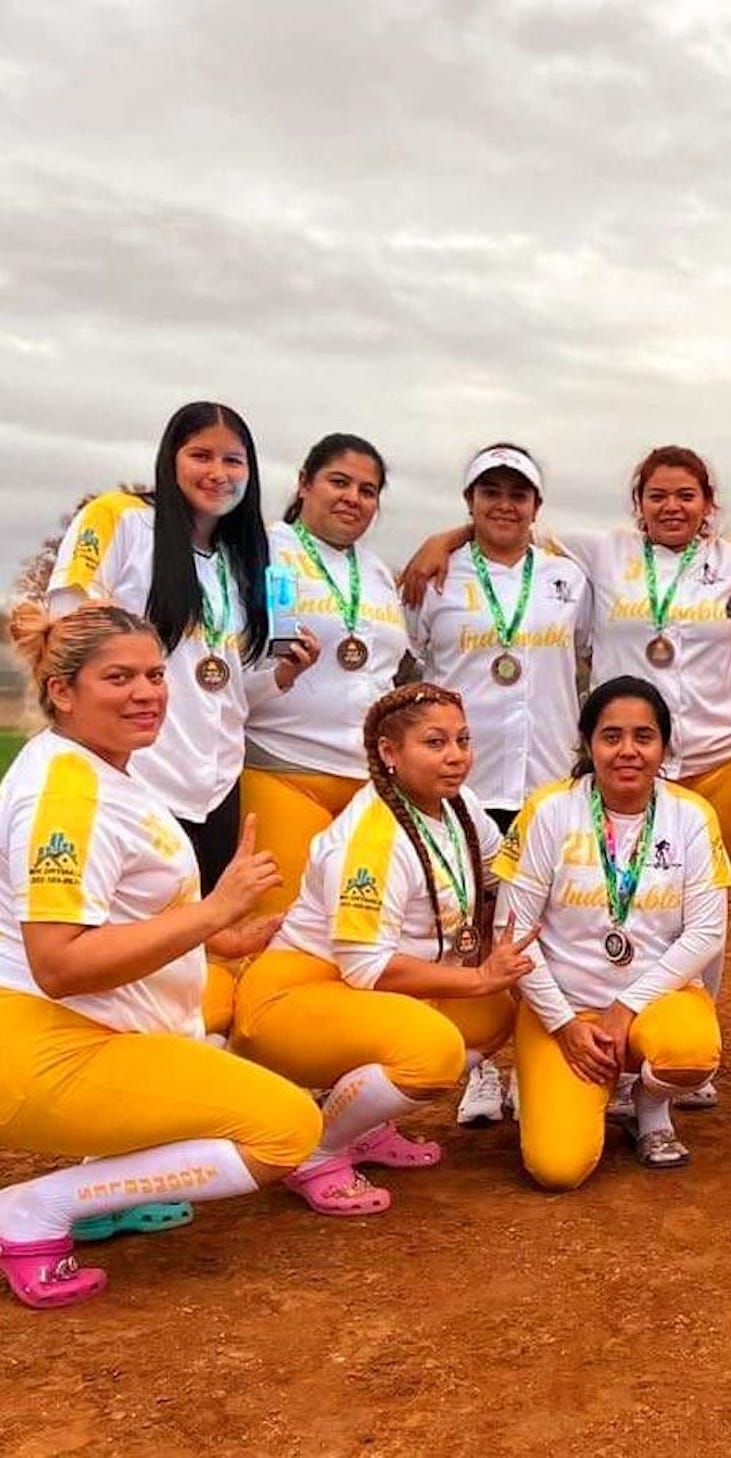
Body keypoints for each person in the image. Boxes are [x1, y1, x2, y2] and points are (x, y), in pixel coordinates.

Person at [0, 603, 321, 1310]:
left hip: (79, 1034)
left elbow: (124, 913)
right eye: (118, 677)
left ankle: (105, 1180)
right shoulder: (67, 795)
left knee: (209, 1046)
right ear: (63, 690)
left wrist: (220, 937)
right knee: (286, 1129)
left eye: (153, 673)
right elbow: (58, 962)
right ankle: (31, 1209)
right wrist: (215, 909)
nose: (146, 692)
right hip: (42, 1050)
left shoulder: (97, 768)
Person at [229, 684, 533, 1214]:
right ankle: (316, 1151)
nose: (456, 755)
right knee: (433, 1049)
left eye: (463, 739)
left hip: (346, 990)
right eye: (435, 742)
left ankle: (363, 1128)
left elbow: (499, 868)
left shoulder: (458, 805)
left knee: (490, 1015)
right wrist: (478, 976)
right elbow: (368, 968)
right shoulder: (371, 840)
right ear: (390, 753)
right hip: (291, 999)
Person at [47, 401, 318, 889]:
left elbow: (225, 689)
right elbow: (66, 630)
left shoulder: (244, 559)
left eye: (233, 461)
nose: (218, 473)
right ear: (171, 458)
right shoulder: (119, 520)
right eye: (201, 456)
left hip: (215, 788)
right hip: (133, 777)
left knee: (198, 950)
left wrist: (282, 674)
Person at [406, 444, 590, 1126]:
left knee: (551, 920)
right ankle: (480, 1069)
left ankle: (547, 1052)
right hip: (465, 782)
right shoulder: (436, 576)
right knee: (471, 926)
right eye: (490, 492)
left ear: (537, 506)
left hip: (546, 777)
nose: (504, 503)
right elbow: (412, 662)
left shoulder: (569, 578)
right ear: (470, 503)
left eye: (519, 492)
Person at [496, 678, 731, 1184]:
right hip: (563, 1007)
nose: (628, 751)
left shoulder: (691, 814)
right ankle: (563, 1083)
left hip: (654, 1002)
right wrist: (564, 1024)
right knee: (557, 1168)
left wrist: (626, 1006)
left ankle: (649, 1108)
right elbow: (512, 935)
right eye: (612, 736)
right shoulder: (549, 809)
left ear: (664, 746)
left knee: (690, 1051)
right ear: (587, 742)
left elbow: (707, 932)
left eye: (644, 737)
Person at [243, 433, 408, 915]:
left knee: (358, 932)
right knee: (278, 927)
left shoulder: (376, 573)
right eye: (339, 482)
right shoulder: (258, 550)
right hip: (282, 767)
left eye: (367, 490)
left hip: (370, 781)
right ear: (303, 484)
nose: (352, 498)